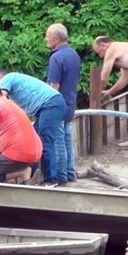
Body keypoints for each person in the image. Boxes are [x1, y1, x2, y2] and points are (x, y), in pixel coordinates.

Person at [0, 68, 67, 185]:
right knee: (35, 141)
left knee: (45, 141)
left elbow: (0, 102)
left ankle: (50, 180)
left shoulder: (7, 78)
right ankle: (38, 175)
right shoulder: (15, 90)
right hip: (52, 104)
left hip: (50, 104)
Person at [45, 23, 82, 182]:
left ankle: (61, 176)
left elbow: (54, 86)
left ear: (56, 38)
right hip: (70, 103)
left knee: (58, 141)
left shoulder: (56, 57)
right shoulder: (74, 54)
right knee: (67, 139)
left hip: (57, 106)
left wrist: (46, 106)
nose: (45, 39)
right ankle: (70, 172)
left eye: (47, 36)